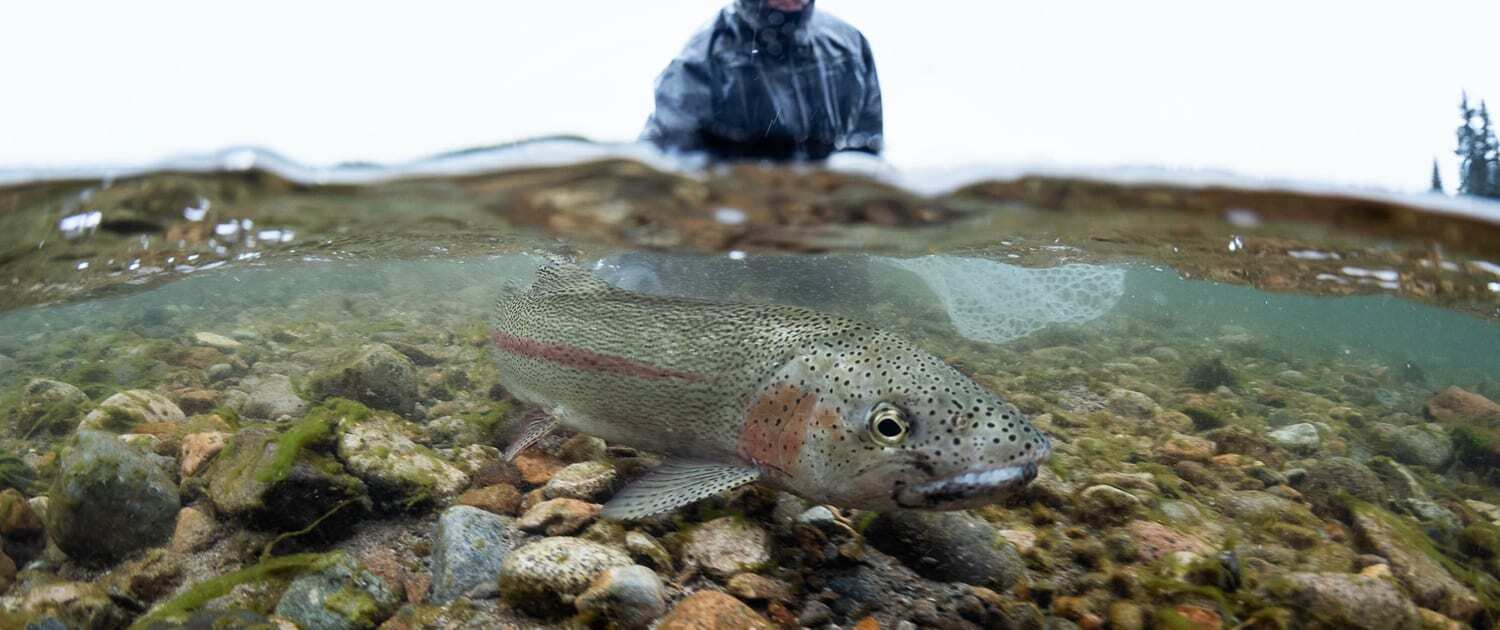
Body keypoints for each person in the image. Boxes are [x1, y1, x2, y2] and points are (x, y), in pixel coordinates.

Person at [641, 0, 883, 162]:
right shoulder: (702, 61)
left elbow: (867, 151)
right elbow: (670, 159)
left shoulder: (849, 49)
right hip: (739, 213)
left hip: (828, 212)